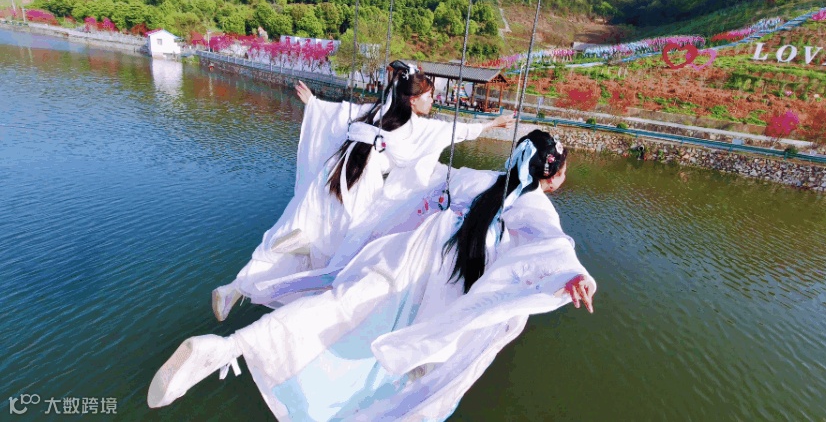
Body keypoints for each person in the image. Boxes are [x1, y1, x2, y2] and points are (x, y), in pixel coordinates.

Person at [148, 130, 595, 420]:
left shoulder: (474, 180)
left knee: (335, 308)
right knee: (422, 372)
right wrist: (573, 275)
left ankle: (230, 346)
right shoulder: (533, 205)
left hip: (404, 260)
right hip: (437, 296)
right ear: (551, 175)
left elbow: (423, 179)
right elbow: (551, 244)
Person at [211, 61, 515, 321]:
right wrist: (495, 122)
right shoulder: (418, 127)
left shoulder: (378, 110)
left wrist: (314, 103)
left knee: (291, 228)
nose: (433, 102)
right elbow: (460, 130)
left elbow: (341, 113)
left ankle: (235, 287)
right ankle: (305, 265)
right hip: (362, 182)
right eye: (429, 96)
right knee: (348, 249)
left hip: (334, 170)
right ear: (413, 100)